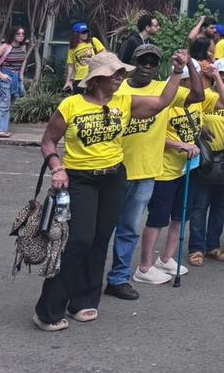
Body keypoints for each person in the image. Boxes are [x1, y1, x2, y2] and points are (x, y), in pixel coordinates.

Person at [33, 51, 187, 331]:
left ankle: (83, 302)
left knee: (100, 239)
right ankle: (47, 310)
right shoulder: (71, 105)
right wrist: (57, 168)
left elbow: (163, 102)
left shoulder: (124, 103)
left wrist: (177, 72)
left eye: (121, 74)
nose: (120, 78)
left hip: (114, 178)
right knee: (79, 240)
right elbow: (48, 141)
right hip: (80, 180)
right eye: (115, 74)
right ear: (97, 79)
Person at [105, 43, 206, 297]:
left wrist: (188, 66)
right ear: (132, 63)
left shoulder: (165, 88)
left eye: (152, 62)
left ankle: (119, 278)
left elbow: (197, 95)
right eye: (143, 61)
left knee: (129, 229)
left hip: (146, 171)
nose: (148, 67)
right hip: (113, 169)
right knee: (100, 228)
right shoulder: (119, 88)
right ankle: (88, 277)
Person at [135, 51, 224, 283]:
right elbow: (155, 134)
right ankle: (144, 266)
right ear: (184, 81)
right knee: (158, 218)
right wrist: (180, 144)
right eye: (193, 79)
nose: (198, 84)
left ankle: (166, 258)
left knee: (180, 217)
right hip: (166, 170)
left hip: (189, 168)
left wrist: (217, 76)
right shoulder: (169, 101)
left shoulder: (197, 100)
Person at [186, 57, 224, 267]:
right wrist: (200, 129)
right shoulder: (206, 96)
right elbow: (192, 116)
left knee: (220, 205)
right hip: (208, 158)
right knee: (200, 205)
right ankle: (196, 248)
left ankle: (213, 246)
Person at [0, 25, 29, 137]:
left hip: (16, 78)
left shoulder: (22, 47)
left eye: (23, 34)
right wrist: (1, 74)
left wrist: (21, 74)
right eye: (18, 34)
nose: (21, 36)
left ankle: (2, 129)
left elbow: (23, 61)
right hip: (5, 75)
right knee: (2, 104)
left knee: (9, 104)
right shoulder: (5, 46)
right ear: (13, 34)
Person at [65, 23, 105, 93]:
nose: (86, 33)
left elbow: (104, 54)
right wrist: (68, 81)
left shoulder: (93, 41)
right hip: (79, 78)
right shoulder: (72, 49)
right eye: (83, 32)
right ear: (76, 34)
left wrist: (94, 59)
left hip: (93, 76)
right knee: (79, 101)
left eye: (87, 31)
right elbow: (70, 65)